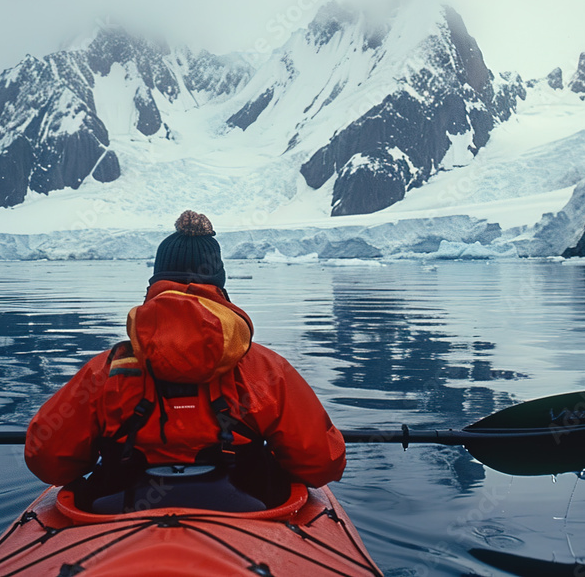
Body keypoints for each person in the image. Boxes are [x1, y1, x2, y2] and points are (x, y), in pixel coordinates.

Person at [24, 210, 346, 512]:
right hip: (246, 511)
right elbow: (321, 463)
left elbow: (48, 459)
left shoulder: (106, 372)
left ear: (155, 282)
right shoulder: (265, 370)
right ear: (219, 284)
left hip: (121, 512)